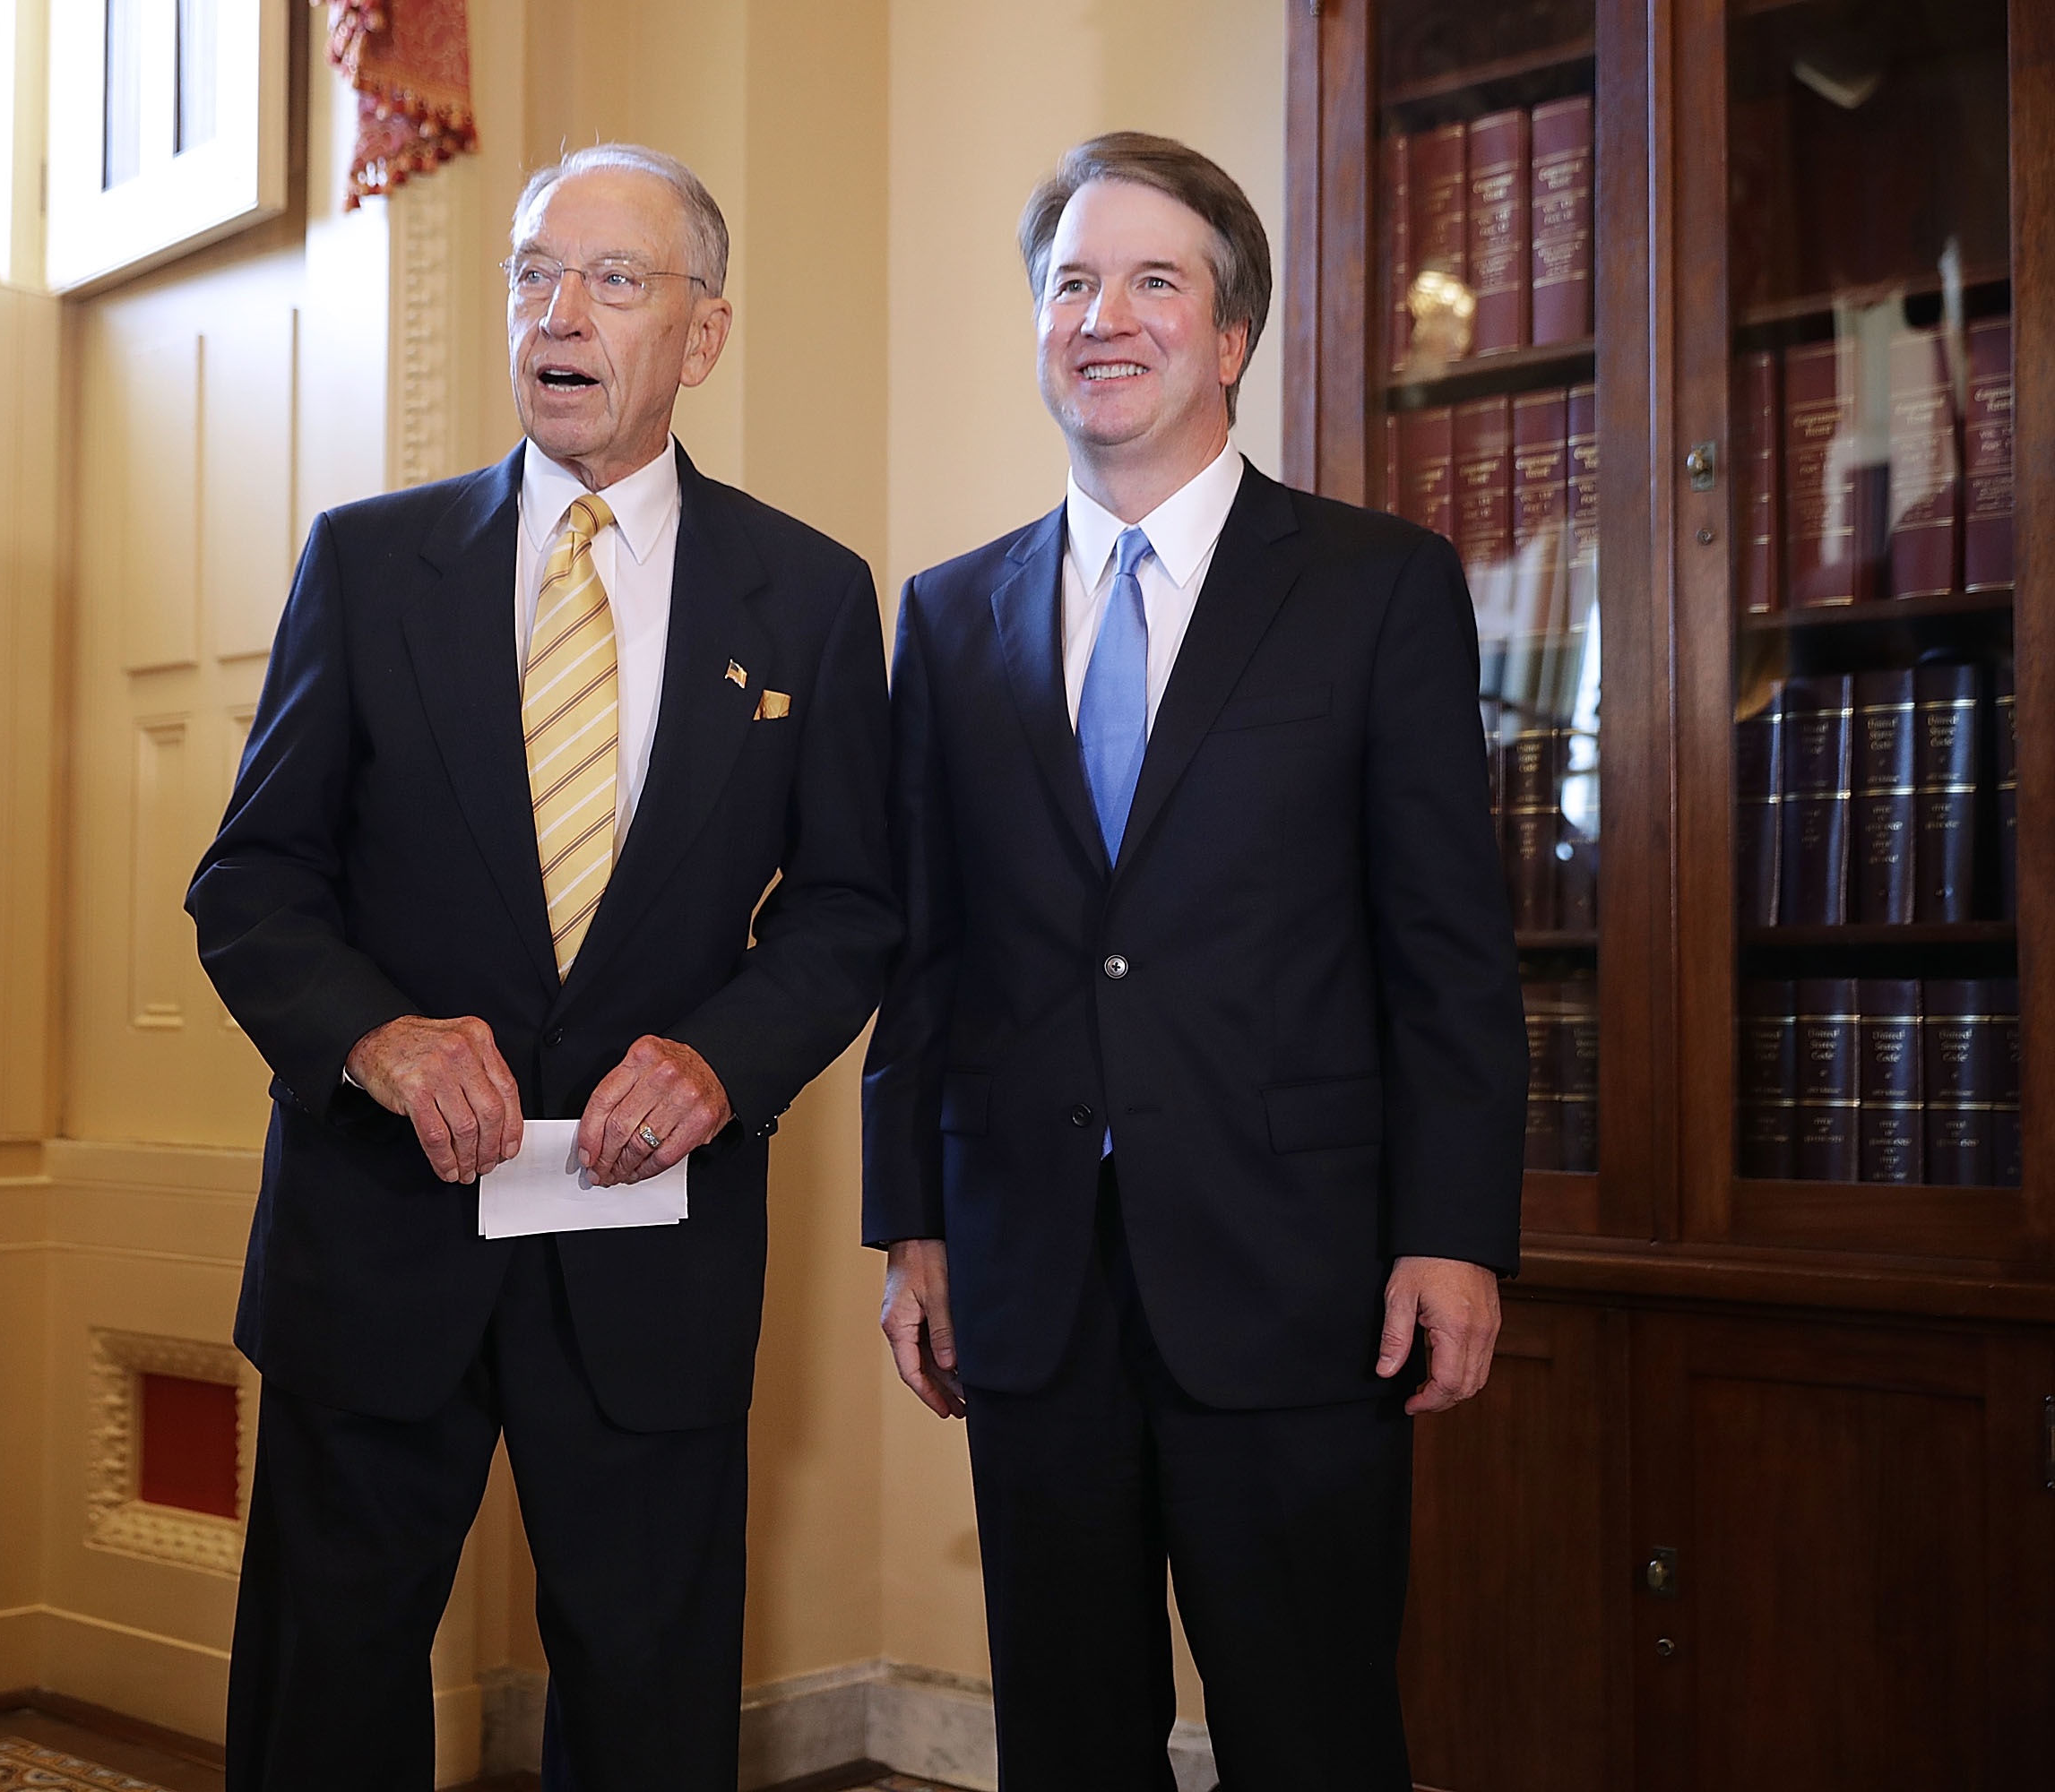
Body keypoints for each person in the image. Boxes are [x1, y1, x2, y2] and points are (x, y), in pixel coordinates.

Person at [188, 142, 898, 1792]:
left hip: (651, 1262)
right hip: (376, 1248)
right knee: (322, 1709)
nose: (557, 315)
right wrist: (381, 1044)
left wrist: (722, 1061)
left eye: (612, 281)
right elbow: (255, 885)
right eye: (530, 274)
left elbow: (853, 907)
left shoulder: (806, 596)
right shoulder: (368, 568)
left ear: (701, 337)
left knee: (647, 1715)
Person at [862, 133, 1526, 1788]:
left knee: (1312, 1737)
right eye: (1072, 282)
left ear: (1230, 337)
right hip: (1029, 1292)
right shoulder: (949, 618)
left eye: (1156, 280)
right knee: (1070, 1746)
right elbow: (924, 949)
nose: (1107, 315)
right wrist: (912, 1223)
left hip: (1299, 1286)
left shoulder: (1377, 589)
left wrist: (1454, 1234)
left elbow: (1446, 947)